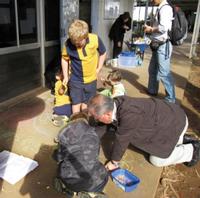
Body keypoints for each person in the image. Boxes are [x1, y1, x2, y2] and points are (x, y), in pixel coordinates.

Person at [87, 94, 200, 171]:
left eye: (96, 117)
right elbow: (103, 126)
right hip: (168, 118)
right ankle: (182, 139)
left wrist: (114, 162)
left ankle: (192, 150)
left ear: (107, 114)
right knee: (143, 140)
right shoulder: (114, 104)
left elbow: (122, 140)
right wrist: (89, 138)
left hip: (175, 123)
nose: (96, 119)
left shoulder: (129, 115)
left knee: (157, 160)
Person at [53, 112, 108, 197]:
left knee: (61, 167)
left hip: (70, 179)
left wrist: (55, 152)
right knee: (103, 173)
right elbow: (95, 155)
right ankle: (91, 193)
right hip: (92, 181)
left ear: (71, 122)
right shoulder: (94, 134)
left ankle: (67, 188)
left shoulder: (64, 135)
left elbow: (58, 158)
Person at [62, 20, 106, 114]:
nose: (76, 45)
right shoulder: (68, 44)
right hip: (75, 80)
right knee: (76, 103)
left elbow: (103, 52)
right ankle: (76, 122)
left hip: (91, 79)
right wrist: (66, 76)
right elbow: (64, 59)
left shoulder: (95, 39)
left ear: (86, 36)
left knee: (87, 103)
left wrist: (99, 68)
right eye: (74, 42)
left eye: (79, 42)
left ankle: (85, 121)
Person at [144, 0, 175, 103]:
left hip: (163, 45)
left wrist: (150, 29)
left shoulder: (165, 8)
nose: (151, 0)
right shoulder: (160, 8)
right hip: (156, 45)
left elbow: (163, 27)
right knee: (153, 70)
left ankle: (170, 99)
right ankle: (152, 90)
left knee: (164, 73)